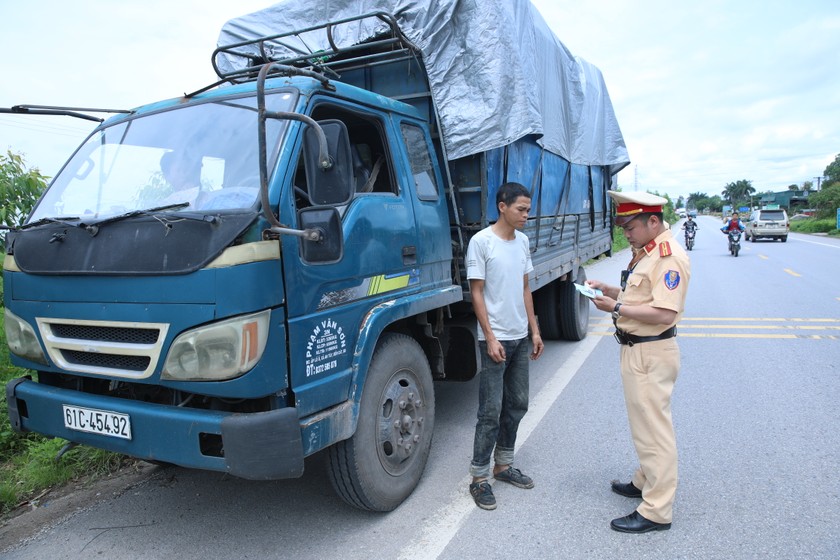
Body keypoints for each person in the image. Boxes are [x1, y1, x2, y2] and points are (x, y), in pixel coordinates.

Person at [586, 191, 691, 533]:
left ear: (653, 221)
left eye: (630, 226)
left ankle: (657, 510)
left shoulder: (668, 257)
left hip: (650, 351)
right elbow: (640, 296)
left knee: (654, 432)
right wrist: (610, 291)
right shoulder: (646, 254)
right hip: (637, 350)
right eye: (623, 227)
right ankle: (645, 480)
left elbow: (663, 312)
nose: (625, 234)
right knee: (643, 426)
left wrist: (615, 308)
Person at [465, 181, 544, 511]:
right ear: (502, 207)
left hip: (519, 336)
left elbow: (525, 288)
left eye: (528, 209)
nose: (527, 215)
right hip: (495, 340)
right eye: (521, 209)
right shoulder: (481, 242)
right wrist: (490, 337)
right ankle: (480, 477)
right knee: (490, 411)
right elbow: (477, 292)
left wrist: (535, 331)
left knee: (518, 403)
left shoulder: (522, 241)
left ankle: (503, 465)